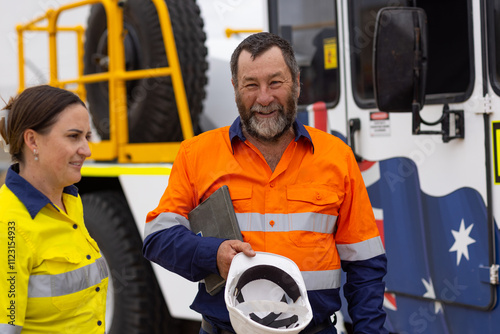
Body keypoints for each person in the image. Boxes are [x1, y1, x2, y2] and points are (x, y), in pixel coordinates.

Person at [143, 32, 387, 333]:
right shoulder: (196, 154)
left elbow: (365, 264)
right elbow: (158, 238)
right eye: (250, 85)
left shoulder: (337, 156)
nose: (264, 98)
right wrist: (212, 255)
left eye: (275, 82)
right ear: (235, 88)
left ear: (296, 83)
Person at [0, 85, 108, 333]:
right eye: (73, 136)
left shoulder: (70, 201)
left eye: (87, 137)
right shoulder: (8, 227)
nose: (87, 150)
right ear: (32, 140)